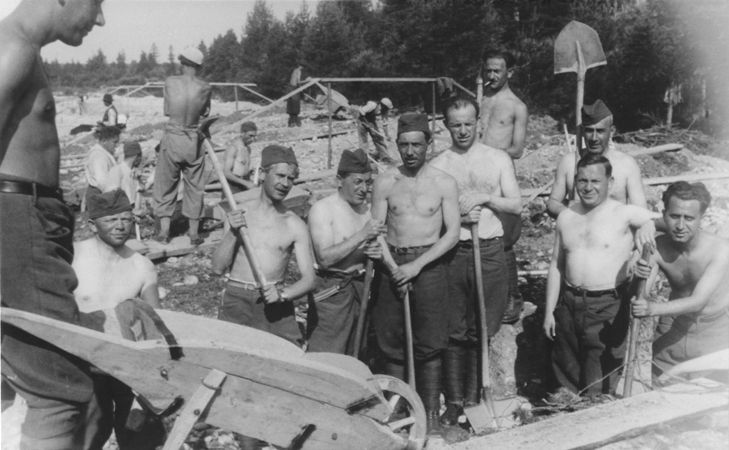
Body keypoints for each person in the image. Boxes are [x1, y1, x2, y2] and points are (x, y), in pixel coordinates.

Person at [0, 0, 105, 447]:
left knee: (69, 378)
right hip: (17, 221)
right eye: (98, 3)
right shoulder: (14, 50)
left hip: (31, 219)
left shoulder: (24, 49)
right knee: (57, 393)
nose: (100, 19)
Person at [431, 96, 521, 425]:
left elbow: (515, 205)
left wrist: (485, 197)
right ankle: (455, 402)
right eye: (456, 125)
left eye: (469, 123)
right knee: (456, 328)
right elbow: (434, 215)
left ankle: (476, 397)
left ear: (478, 122)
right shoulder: (439, 164)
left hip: (491, 249)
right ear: (446, 126)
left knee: (485, 326)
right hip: (457, 251)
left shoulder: (497, 159)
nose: (464, 130)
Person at [370, 112, 460, 433]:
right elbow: (376, 231)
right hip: (392, 265)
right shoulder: (385, 182)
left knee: (431, 341)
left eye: (416, 145)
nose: (410, 152)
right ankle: (397, 411)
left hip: (429, 266)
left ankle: (431, 415)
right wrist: (394, 268)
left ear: (428, 144)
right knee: (391, 340)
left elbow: (452, 233)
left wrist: (416, 266)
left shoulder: (443, 183)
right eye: (404, 145)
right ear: (396, 145)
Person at [543, 154, 656, 396]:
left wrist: (647, 224)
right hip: (569, 302)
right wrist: (549, 312)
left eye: (595, 181)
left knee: (599, 373)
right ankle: (569, 413)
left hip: (607, 305)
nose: (588, 187)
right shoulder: (566, 216)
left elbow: (654, 222)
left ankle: (595, 408)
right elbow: (556, 265)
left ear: (610, 182)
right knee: (566, 365)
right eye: (582, 180)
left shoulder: (623, 213)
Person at [72, 189, 163, 450]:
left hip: (128, 365)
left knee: (142, 437)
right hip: (83, 362)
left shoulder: (141, 266)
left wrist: (149, 386)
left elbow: (156, 324)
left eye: (126, 218)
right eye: (111, 220)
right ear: (92, 224)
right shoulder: (73, 258)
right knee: (86, 437)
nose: (120, 226)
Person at [212, 144, 316, 344]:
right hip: (237, 299)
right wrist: (233, 233)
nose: (285, 184)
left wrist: (283, 294)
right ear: (262, 174)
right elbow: (217, 268)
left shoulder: (294, 224)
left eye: (291, 178)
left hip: (274, 301)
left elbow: (309, 279)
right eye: (280, 175)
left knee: (287, 358)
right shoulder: (238, 214)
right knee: (231, 358)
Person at [631, 182, 729, 378]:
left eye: (689, 218)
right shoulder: (657, 246)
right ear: (664, 214)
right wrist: (637, 277)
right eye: (674, 216)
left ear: (701, 217)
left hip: (715, 332)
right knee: (662, 394)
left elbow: (698, 301)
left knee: (707, 399)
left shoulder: (720, 249)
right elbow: (641, 294)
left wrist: (652, 309)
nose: (681, 226)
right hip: (672, 328)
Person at [307, 148, 385, 354]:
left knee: (357, 351)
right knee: (327, 354)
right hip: (332, 291)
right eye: (357, 181)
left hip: (361, 287)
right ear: (339, 180)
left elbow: (369, 251)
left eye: (368, 182)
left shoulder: (365, 211)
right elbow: (324, 258)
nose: (364, 189)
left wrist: (376, 253)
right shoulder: (323, 210)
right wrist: (362, 235)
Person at [478, 49, 529, 324]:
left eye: (498, 70)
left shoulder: (516, 106)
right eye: (489, 70)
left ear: (509, 72)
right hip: (475, 175)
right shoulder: (481, 99)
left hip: (501, 176)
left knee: (504, 239)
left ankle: (513, 298)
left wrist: (487, 155)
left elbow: (518, 149)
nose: (493, 75)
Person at [547, 99, 646, 218]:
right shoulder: (569, 162)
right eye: (589, 130)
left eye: (600, 131)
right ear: (582, 131)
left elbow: (640, 210)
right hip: (578, 233)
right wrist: (571, 214)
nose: (594, 138)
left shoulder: (627, 165)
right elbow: (553, 202)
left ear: (612, 131)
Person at [152, 47, 211, 245]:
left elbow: (168, 109)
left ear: (182, 63)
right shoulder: (205, 86)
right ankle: (193, 234)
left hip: (173, 136)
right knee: (195, 186)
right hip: (192, 139)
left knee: (165, 184)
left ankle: (164, 233)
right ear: (199, 67)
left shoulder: (170, 82)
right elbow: (205, 113)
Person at [85, 125, 122, 195]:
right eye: (114, 142)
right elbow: (102, 180)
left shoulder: (104, 153)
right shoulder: (98, 156)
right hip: (102, 197)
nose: (117, 145)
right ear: (104, 141)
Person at [223, 121, 257, 194]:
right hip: (232, 187)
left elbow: (241, 167)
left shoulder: (247, 149)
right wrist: (246, 183)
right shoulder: (233, 148)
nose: (253, 139)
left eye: (254, 136)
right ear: (242, 133)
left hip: (243, 185)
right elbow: (226, 173)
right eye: (250, 136)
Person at [357, 97, 394, 162]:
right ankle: (364, 159)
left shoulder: (384, 111)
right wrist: (367, 123)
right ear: (383, 105)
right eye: (386, 108)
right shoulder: (372, 105)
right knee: (363, 141)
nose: (387, 110)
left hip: (371, 122)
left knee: (378, 138)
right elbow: (361, 112)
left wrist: (387, 135)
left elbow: (385, 124)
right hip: (361, 121)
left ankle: (385, 157)